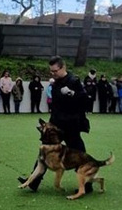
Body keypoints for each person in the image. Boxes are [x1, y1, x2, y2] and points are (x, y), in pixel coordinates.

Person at [22, 57, 90, 192]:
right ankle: (33, 182)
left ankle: (87, 185)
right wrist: (50, 123)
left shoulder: (74, 81)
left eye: (55, 71)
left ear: (63, 67)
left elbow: (85, 101)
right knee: (45, 151)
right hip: (56, 125)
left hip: (71, 125)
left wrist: (72, 93)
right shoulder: (55, 83)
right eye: (51, 71)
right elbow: (55, 105)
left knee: (79, 155)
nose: (52, 74)